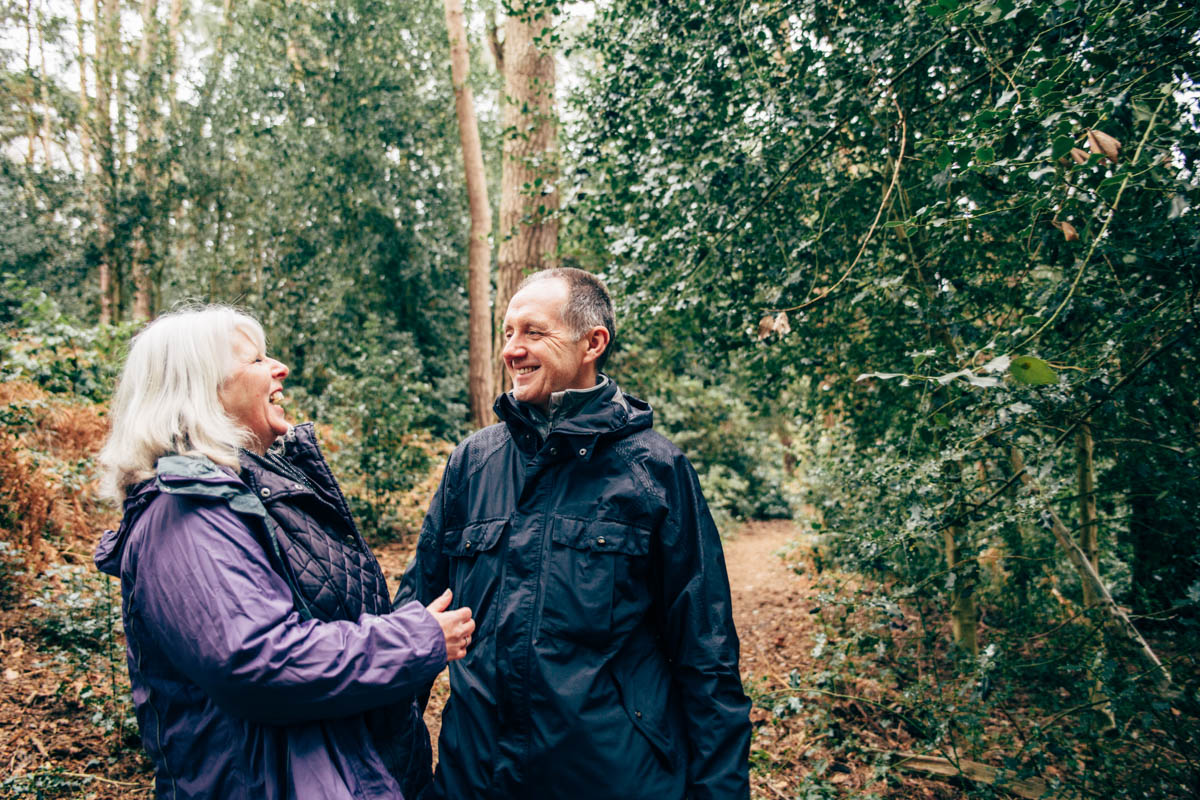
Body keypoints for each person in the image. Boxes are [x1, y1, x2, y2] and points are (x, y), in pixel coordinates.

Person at [396, 269, 752, 800]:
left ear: (593, 343)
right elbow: (412, 625)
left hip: (613, 778)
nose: (512, 350)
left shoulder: (655, 471)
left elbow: (707, 655)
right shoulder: (473, 463)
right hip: (476, 780)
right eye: (508, 332)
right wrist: (394, 774)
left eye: (533, 333)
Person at [93, 305, 474, 800]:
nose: (280, 369)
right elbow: (259, 661)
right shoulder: (186, 516)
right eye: (256, 360)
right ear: (203, 391)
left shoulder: (245, 492)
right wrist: (415, 638)